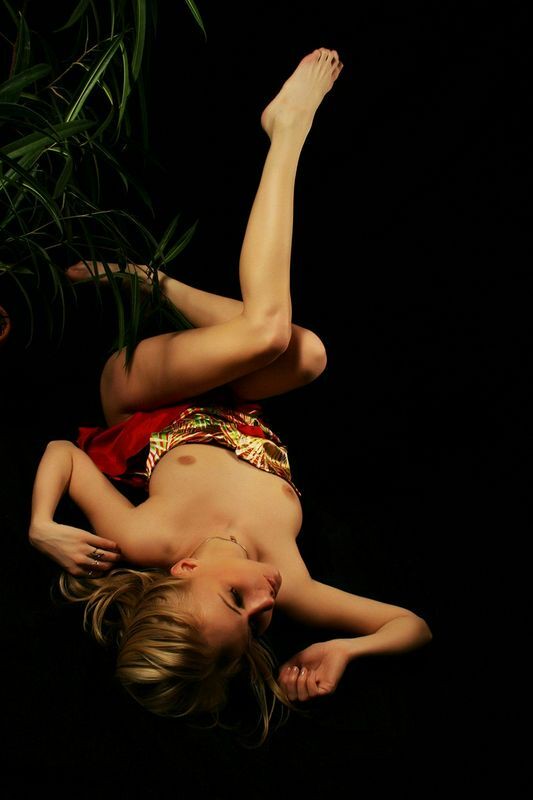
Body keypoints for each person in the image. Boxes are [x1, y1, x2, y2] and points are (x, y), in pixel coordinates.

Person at [29, 48, 432, 743]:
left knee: (269, 332)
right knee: (305, 354)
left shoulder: (147, 538)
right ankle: (156, 284)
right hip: (234, 401)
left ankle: (287, 130)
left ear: (184, 568)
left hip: (142, 397)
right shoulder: (292, 582)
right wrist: (348, 649)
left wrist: (41, 525)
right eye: (257, 626)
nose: (263, 601)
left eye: (233, 599)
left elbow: (64, 452)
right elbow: (411, 625)